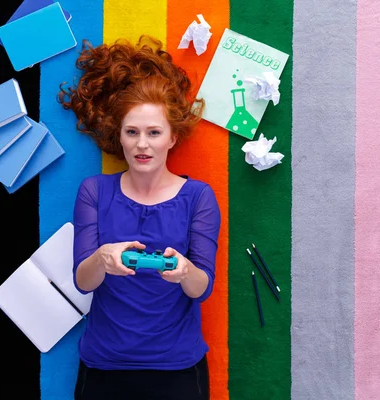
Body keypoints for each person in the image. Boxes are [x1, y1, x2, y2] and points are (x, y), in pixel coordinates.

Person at [58, 35, 221, 400]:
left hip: (178, 368)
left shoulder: (199, 197)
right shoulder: (94, 191)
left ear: (172, 138)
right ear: (120, 136)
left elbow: (202, 287)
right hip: (104, 366)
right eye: (132, 132)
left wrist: (184, 271)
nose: (142, 144)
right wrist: (102, 257)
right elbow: (83, 282)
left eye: (153, 133)